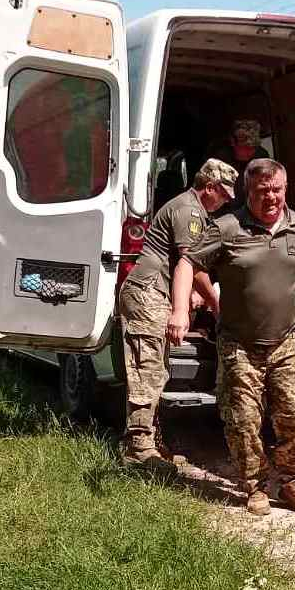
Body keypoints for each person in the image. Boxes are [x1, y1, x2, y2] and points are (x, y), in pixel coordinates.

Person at [170, 159, 295, 516]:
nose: (271, 197)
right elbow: (188, 264)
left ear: (286, 189)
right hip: (239, 343)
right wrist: (182, 310)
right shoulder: (227, 227)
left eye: (277, 190)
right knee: (243, 420)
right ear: (247, 191)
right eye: (262, 191)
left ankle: (292, 482)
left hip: (286, 341)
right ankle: (254, 486)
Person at [118, 158, 238, 466]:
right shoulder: (189, 211)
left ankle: (148, 441)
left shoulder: (191, 208)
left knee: (156, 370)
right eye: (223, 194)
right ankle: (138, 449)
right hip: (148, 292)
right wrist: (215, 304)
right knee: (147, 370)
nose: (225, 201)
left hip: (153, 291)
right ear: (208, 187)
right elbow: (191, 264)